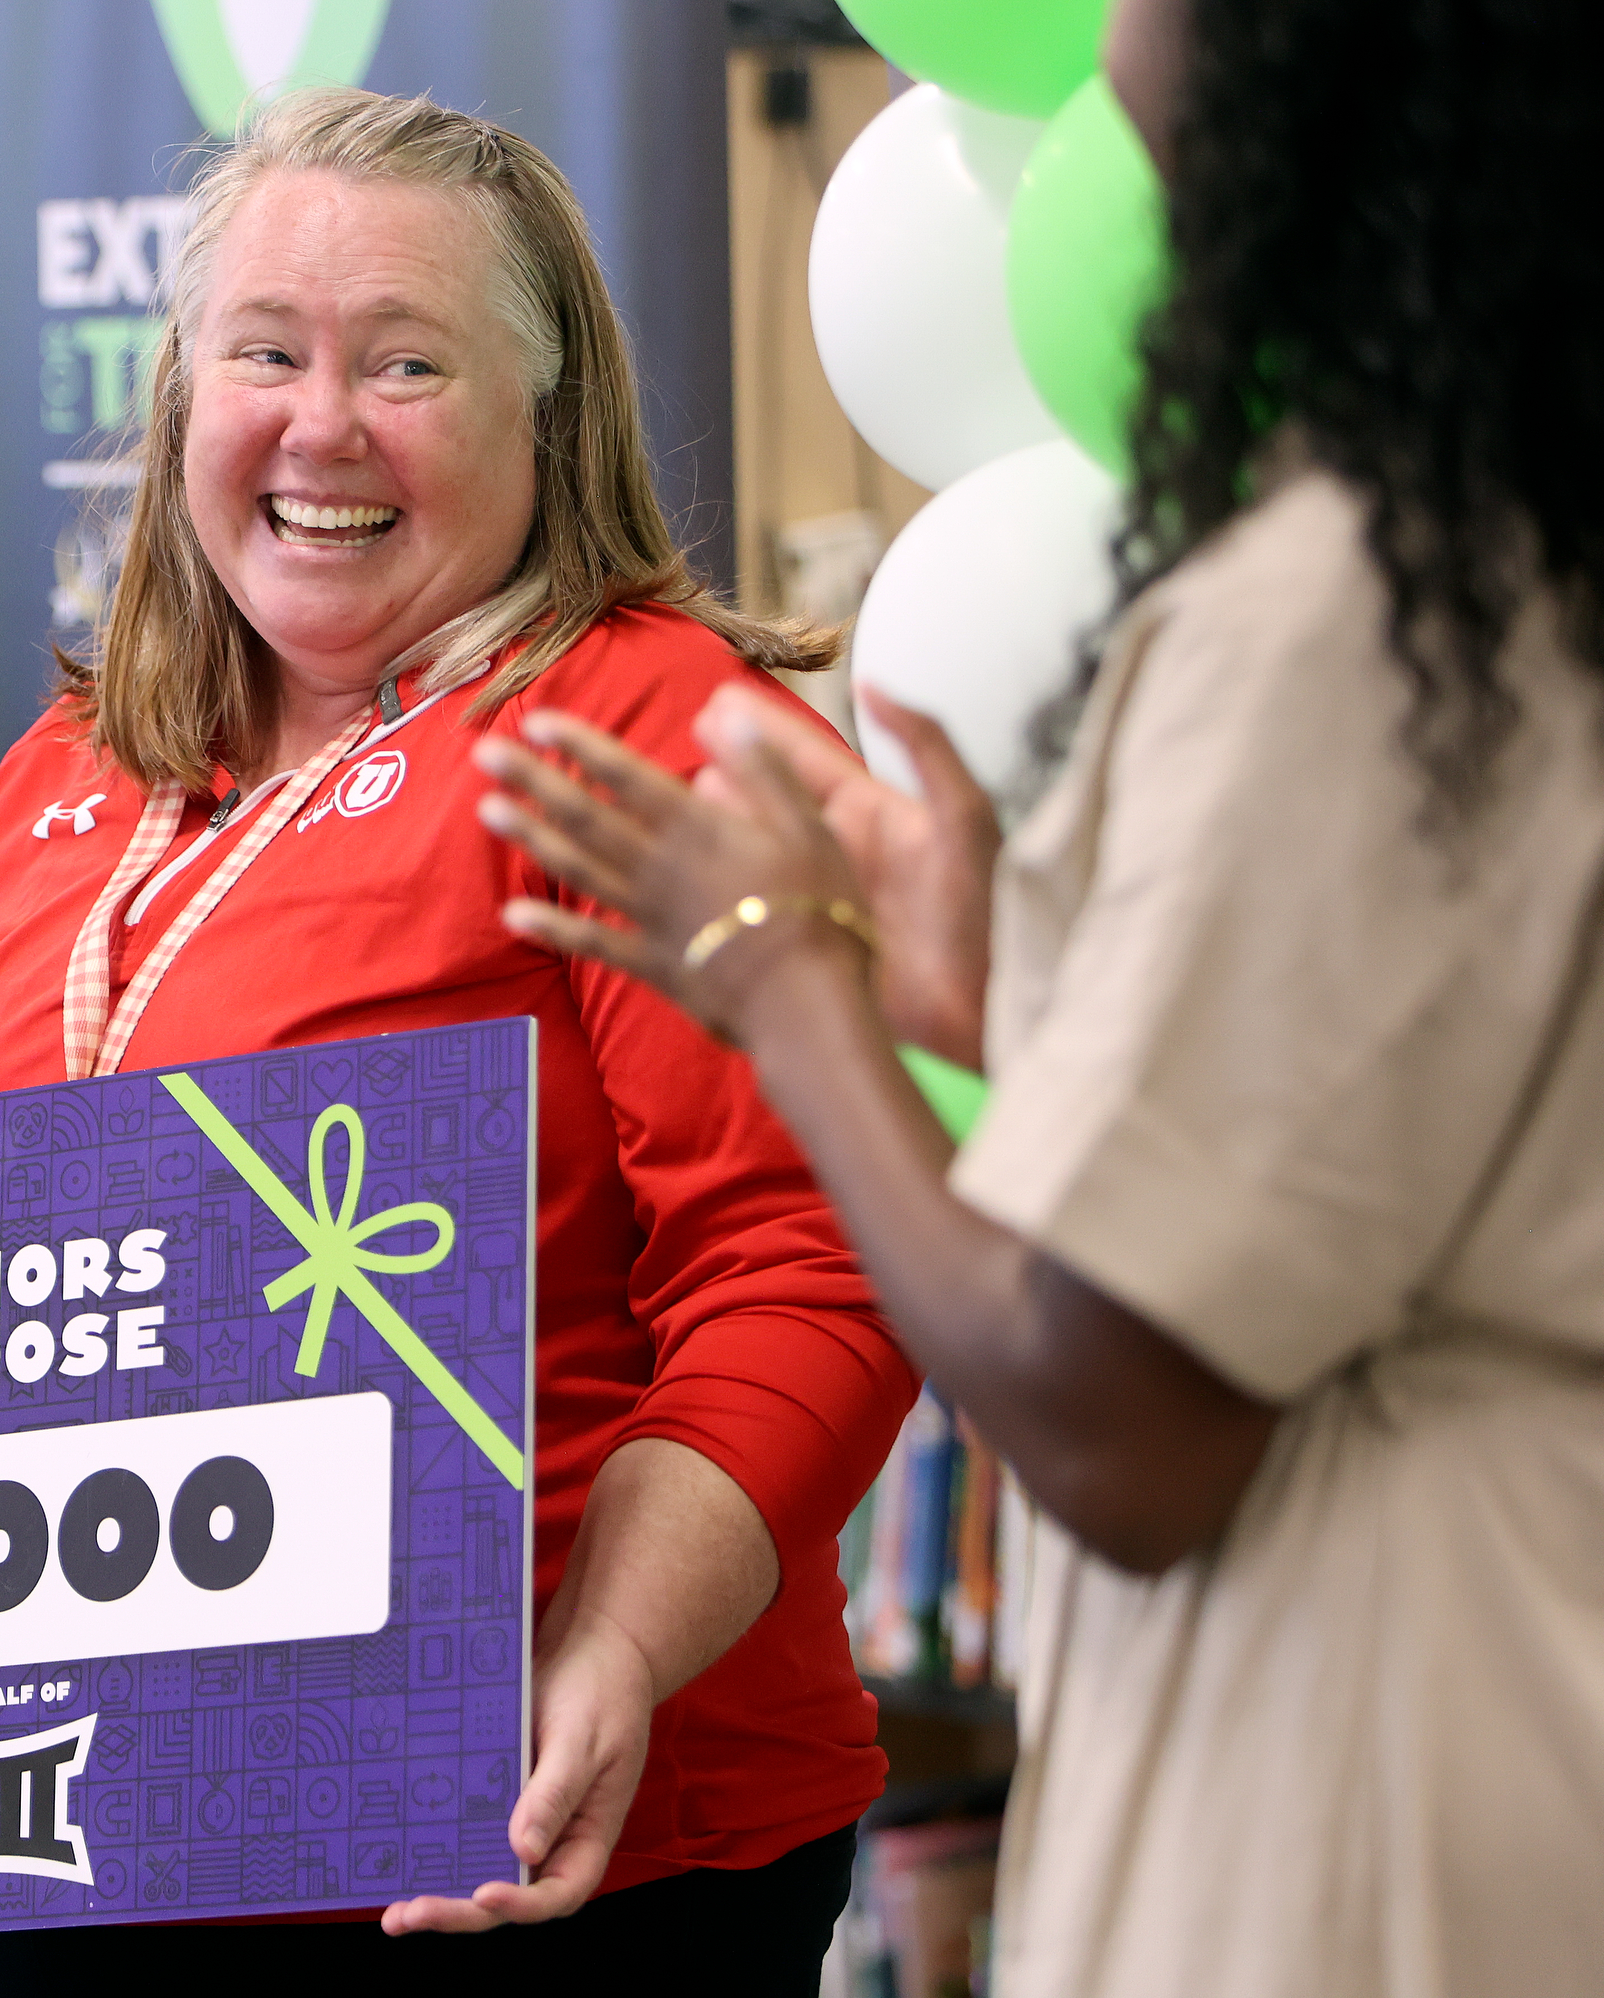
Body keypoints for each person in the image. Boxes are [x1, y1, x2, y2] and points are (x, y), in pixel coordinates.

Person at [0, 88, 915, 1992]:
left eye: (405, 361)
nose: (320, 425)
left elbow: (807, 1269)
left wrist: (617, 1648)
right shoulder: (59, 773)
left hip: (537, 1838)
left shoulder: (663, 741)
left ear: (544, 412)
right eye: (265, 353)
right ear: (181, 399)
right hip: (93, 1835)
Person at [472, 0, 1604, 1990]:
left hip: (1371, 1781)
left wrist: (782, 983)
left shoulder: (1349, 613)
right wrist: (990, 1008)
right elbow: (1395, 1145)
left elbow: (1128, 1433)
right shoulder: (1503, 552)